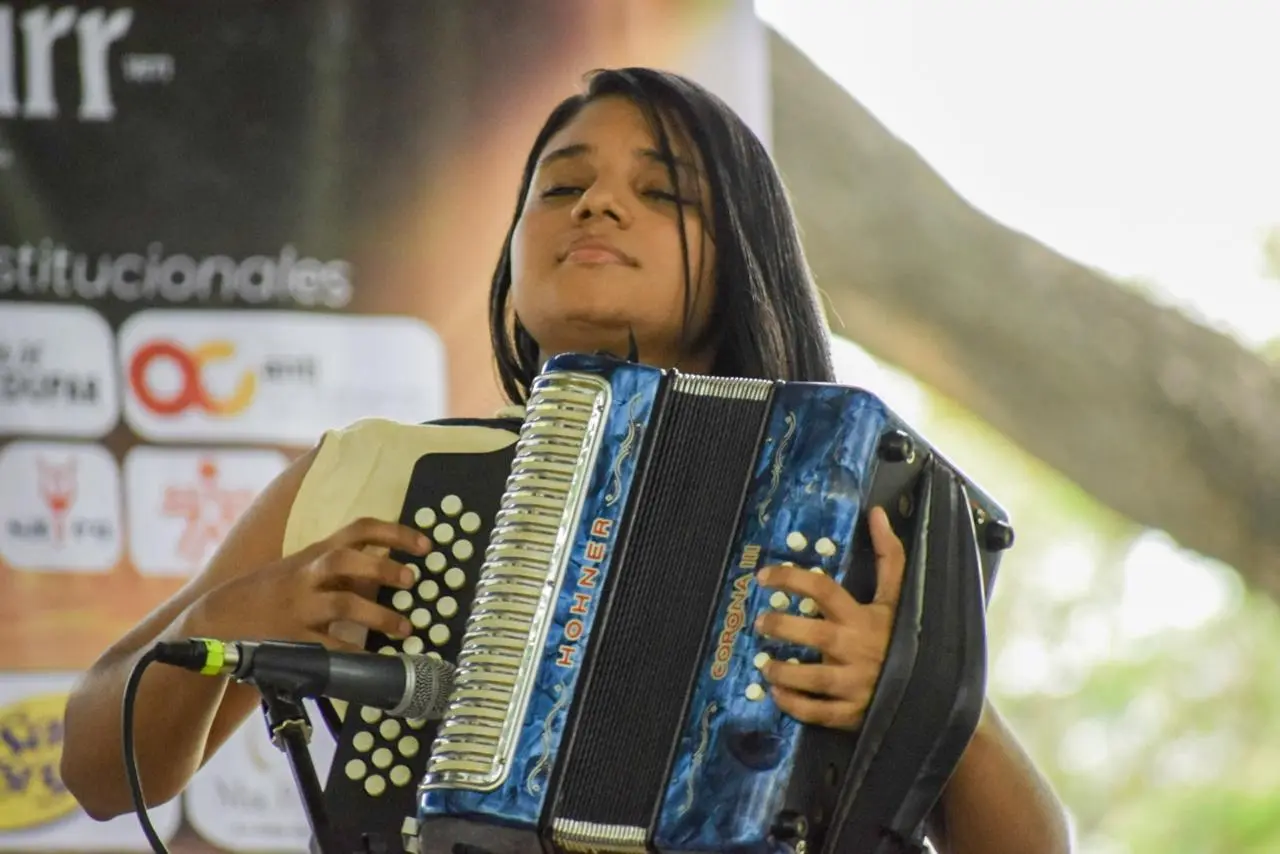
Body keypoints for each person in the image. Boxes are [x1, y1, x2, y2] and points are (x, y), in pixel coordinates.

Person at [61, 68, 1070, 853]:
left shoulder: (862, 500)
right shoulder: (365, 473)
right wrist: (243, 612)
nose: (595, 206)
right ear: (507, 261)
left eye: (660, 191)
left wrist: (919, 694)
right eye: (562, 186)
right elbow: (98, 770)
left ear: (744, 255)